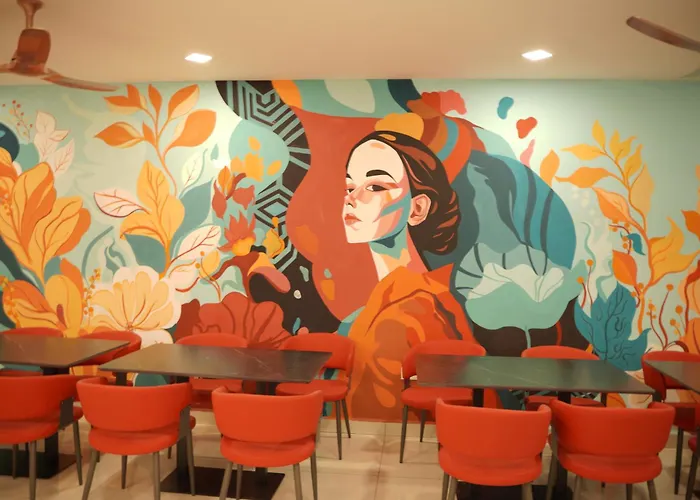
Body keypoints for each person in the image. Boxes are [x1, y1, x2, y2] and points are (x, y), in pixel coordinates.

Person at [340, 130, 476, 421]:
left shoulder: (422, 306)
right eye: (349, 185)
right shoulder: (387, 298)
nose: (351, 198)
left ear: (417, 208)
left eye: (375, 186)